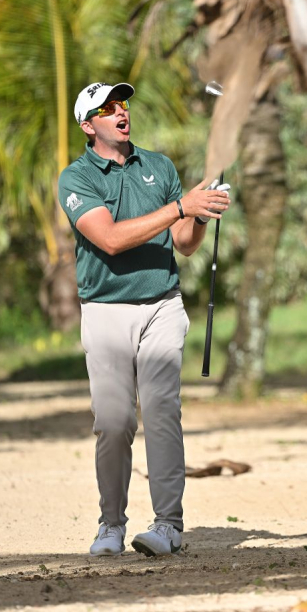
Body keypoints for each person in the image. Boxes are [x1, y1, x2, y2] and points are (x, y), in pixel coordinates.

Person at [57, 81, 230, 557]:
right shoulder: (76, 179)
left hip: (161, 306)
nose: (120, 112)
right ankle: (110, 525)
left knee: (160, 411)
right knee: (113, 422)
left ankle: (168, 525)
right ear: (88, 125)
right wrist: (180, 206)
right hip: (105, 310)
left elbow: (183, 243)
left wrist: (199, 212)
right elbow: (109, 239)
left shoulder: (159, 166)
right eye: (107, 108)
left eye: (123, 104)